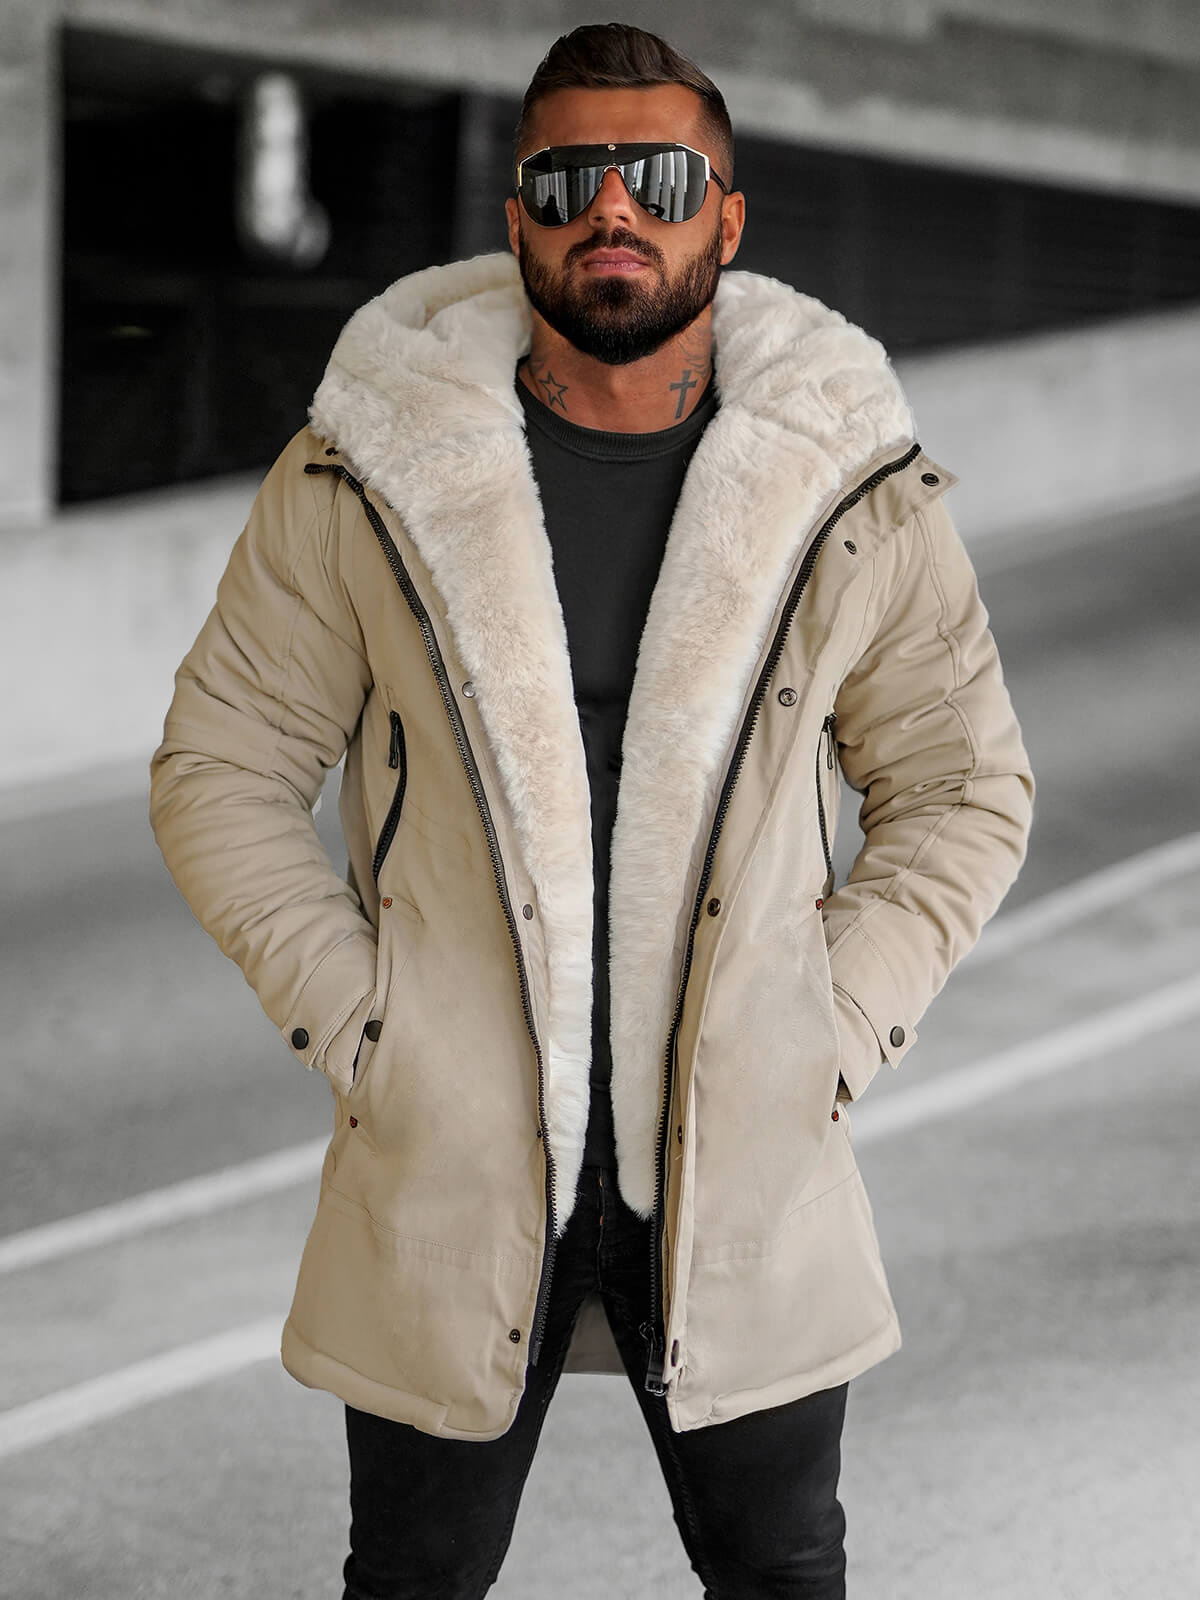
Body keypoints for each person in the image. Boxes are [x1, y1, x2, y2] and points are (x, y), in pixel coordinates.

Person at [149, 22, 1034, 1599]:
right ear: (517, 221)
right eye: (566, 179)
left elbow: (965, 787)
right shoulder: (362, 473)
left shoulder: (852, 483)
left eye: (658, 177)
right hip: (457, 1154)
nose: (610, 207)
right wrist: (368, 1025)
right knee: (412, 1578)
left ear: (726, 219)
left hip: (740, 1158)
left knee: (783, 1570)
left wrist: (827, 1026)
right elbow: (221, 765)